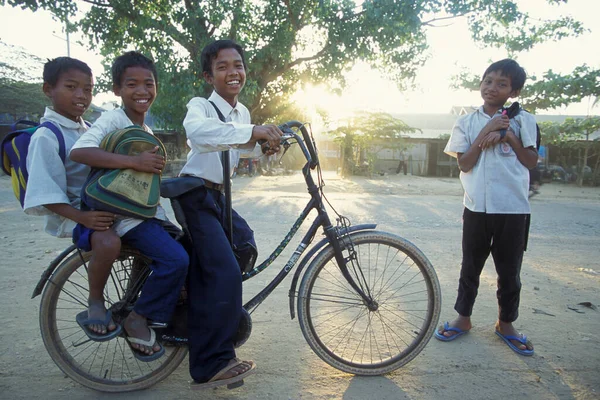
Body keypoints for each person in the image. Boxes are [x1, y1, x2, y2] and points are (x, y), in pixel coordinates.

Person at [70, 51, 189, 361]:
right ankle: (137, 318)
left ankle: (147, 304)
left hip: (142, 212)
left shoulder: (146, 130)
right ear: (117, 90)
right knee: (176, 260)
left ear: (156, 87)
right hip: (125, 217)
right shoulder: (112, 119)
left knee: (188, 245)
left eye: (148, 84)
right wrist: (135, 161)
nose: (142, 91)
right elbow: (80, 152)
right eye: (132, 84)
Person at [177, 39, 282, 389]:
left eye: (237, 65)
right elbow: (200, 134)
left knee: (245, 247)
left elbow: (243, 149)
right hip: (194, 193)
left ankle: (206, 308)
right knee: (223, 271)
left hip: (220, 195)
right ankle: (210, 363)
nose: (232, 72)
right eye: (222, 67)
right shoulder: (200, 107)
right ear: (209, 75)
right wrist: (252, 133)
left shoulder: (243, 113)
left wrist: (267, 144)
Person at [438, 59, 538, 356]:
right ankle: (463, 318)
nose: (492, 87)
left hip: (513, 209)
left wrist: (508, 135)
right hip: (476, 207)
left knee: (510, 271)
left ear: (514, 91)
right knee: (470, 266)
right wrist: (487, 131)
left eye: (501, 83)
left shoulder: (524, 121)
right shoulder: (466, 122)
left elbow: (530, 161)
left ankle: (506, 324)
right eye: (488, 80)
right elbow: (464, 163)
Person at [23, 57, 123, 341]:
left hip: (99, 205)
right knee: (109, 241)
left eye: (88, 89)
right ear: (48, 89)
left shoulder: (88, 127)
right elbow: (43, 193)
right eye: (71, 87)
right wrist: (82, 217)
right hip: (74, 214)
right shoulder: (47, 135)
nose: (81, 96)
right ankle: (95, 301)